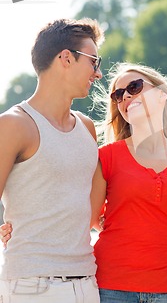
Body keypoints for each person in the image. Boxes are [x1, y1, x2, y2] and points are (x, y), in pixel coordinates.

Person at [0, 18, 104, 302]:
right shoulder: (13, 125)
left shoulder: (86, 127)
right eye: (94, 62)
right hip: (31, 286)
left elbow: (92, 212)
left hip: (86, 283)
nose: (99, 74)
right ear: (66, 58)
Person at [89, 62, 167, 303]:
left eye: (135, 87)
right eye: (118, 95)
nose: (126, 96)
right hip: (111, 287)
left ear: (161, 95)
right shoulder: (106, 156)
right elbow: (88, 218)